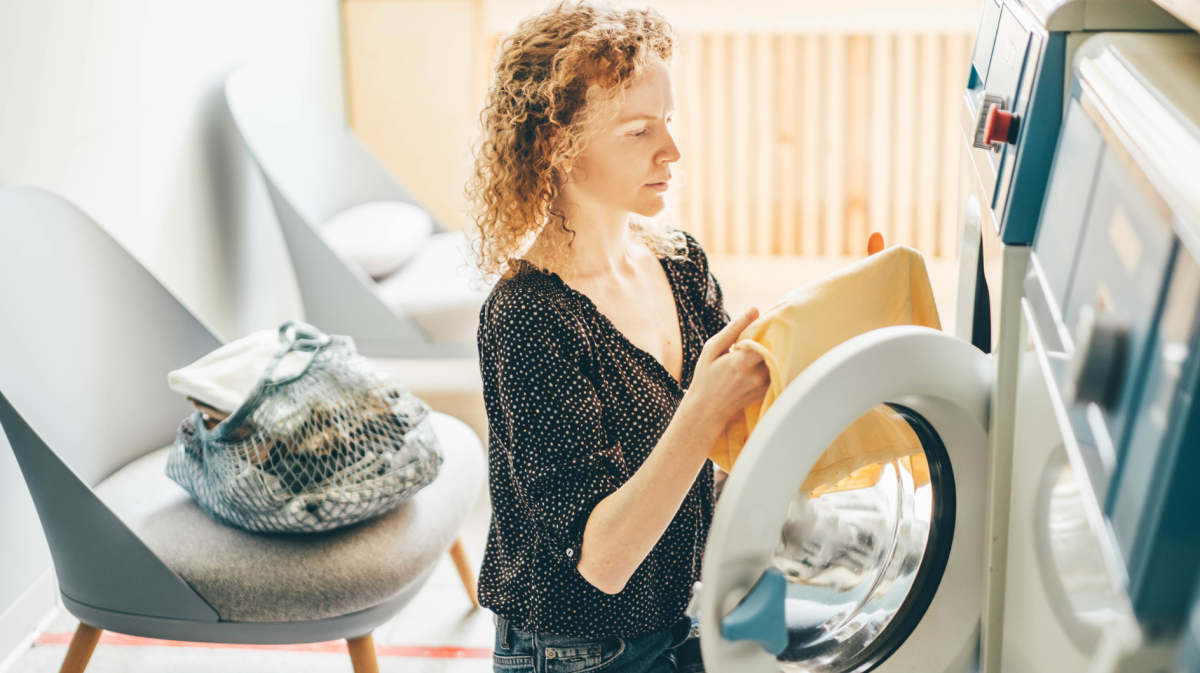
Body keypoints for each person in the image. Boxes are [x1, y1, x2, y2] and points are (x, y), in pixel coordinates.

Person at [466, 3, 769, 671]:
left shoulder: (680, 263)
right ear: (555, 147)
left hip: (684, 614)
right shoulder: (528, 317)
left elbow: (735, 439)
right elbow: (603, 560)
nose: (673, 152)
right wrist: (706, 406)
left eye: (669, 122)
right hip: (578, 651)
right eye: (638, 131)